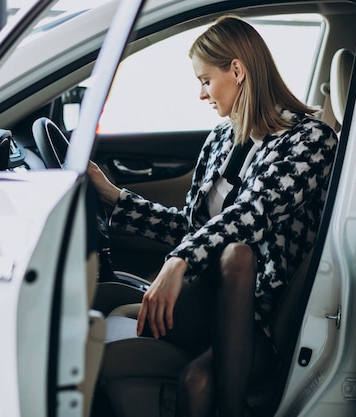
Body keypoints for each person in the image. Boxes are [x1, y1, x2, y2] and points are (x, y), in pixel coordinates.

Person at [88, 15, 338, 417]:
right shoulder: (221, 138)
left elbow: (254, 212)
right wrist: (114, 197)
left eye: (205, 80)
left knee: (198, 381)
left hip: (259, 318)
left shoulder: (311, 141)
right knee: (231, 254)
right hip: (202, 304)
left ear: (236, 70)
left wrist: (177, 262)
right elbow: (190, 227)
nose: (202, 95)